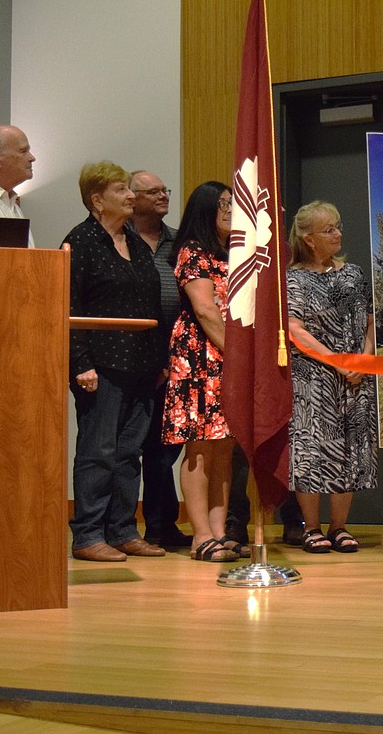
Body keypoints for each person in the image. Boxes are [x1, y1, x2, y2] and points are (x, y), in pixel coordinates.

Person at [63, 162, 166, 562]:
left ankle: (122, 530)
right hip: (100, 367)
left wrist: (159, 359)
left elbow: (150, 303)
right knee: (98, 452)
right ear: (97, 200)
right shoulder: (81, 242)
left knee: (129, 453)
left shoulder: (135, 242)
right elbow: (67, 306)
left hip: (141, 366)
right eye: (121, 190)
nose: (131, 196)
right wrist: (80, 364)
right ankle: (87, 534)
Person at [286, 201, 378, 553]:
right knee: (310, 449)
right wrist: (337, 362)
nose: (338, 233)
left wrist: (365, 359)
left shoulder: (353, 273)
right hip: (313, 378)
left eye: (338, 226)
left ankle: (339, 526)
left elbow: (370, 323)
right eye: (329, 230)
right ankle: (311, 527)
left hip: (356, 377)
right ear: (309, 239)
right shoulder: (293, 278)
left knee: (350, 450)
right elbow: (295, 329)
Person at [161, 182, 244, 563]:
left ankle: (219, 531)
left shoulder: (233, 254)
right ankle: (200, 535)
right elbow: (206, 311)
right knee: (199, 448)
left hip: (229, 356)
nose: (230, 210)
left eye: (233, 203)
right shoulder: (192, 252)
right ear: (204, 210)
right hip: (200, 355)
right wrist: (238, 355)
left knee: (224, 448)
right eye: (222, 204)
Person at [126, 170, 190, 549]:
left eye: (165, 190)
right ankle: (126, 527)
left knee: (166, 449)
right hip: (133, 358)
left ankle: (163, 524)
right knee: (133, 446)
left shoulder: (178, 241)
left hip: (177, 356)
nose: (164, 196)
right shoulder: (119, 238)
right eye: (153, 192)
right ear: (133, 198)